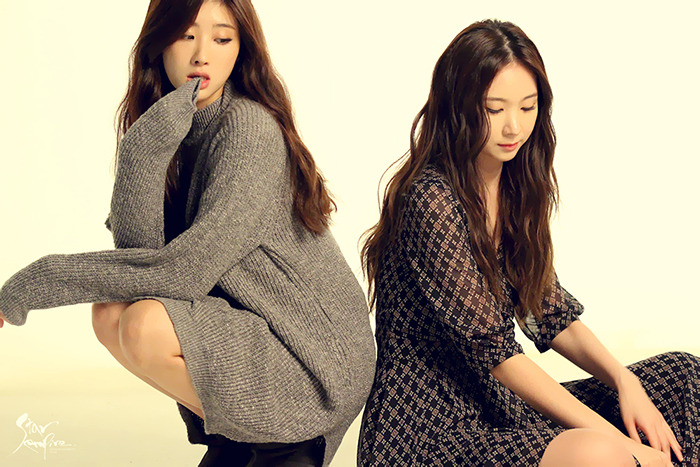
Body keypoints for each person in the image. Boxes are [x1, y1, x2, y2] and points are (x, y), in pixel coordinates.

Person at [0, 0, 375, 465]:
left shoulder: (248, 129)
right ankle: (241, 436)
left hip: (312, 353)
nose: (202, 55)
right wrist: (143, 150)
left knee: (144, 325)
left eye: (222, 38)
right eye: (186, 36)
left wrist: (34, 283)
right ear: (160, 44)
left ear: (241, 50)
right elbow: (141, 257)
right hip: (256, 325)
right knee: (112, 313)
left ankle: (285, 441)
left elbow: (183, 274)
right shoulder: (174, 125)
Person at [357, 19, 698, 467]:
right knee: (599, 451)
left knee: (682, 379)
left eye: (528, 106)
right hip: (428, 428)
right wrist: (624, 444)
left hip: (500, 406)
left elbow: (547, 312)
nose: (513, 126)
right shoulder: (429, 200)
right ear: (457, 106)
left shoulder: (515, 187)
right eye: (494, 109)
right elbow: (497, 355)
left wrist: (623, 381)